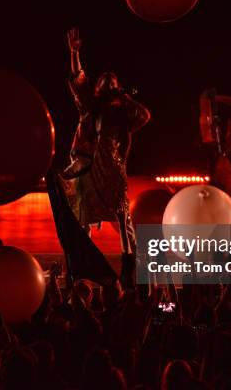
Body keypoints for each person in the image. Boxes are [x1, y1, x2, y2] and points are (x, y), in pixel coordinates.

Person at [61, 28, 151, 288]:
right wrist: (74, 52)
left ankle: (129, 268)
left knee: (123, 220)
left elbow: (144, 115)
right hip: (87, 165)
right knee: (82, 218)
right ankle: (79, 269)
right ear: (98, 87)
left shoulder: (124, 113)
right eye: (105, 81)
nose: (108, 83)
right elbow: (77, 79)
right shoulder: (89, 105)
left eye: (113, 82)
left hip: (112, 168)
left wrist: (123, 98)